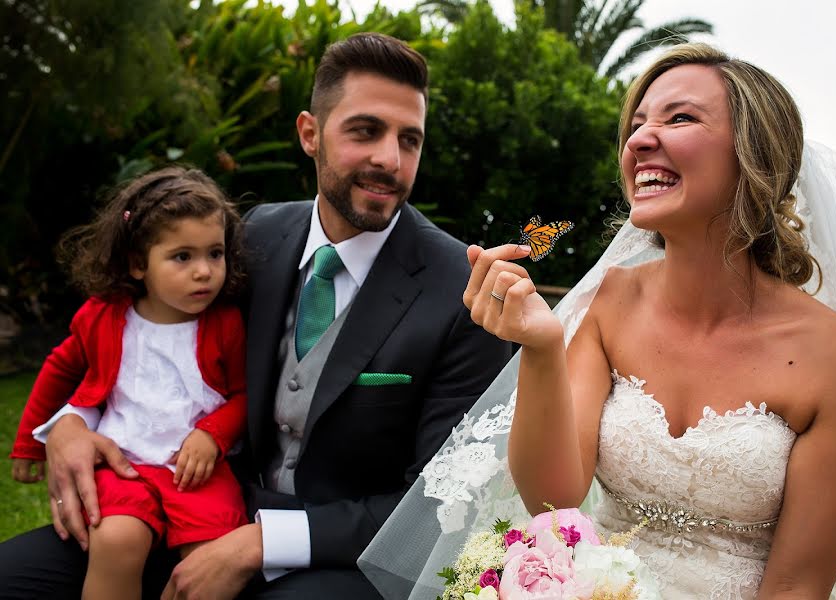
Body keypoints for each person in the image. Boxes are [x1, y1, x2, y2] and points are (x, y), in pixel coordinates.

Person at [359, 43, 836, 599]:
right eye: (637, 124)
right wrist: (543, 346)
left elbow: (797, 586)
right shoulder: (610, 301)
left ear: (754, 155)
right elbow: (553, 499)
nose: (639, 140)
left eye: (681, 117)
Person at [0, 32, 511, 599]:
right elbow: (146, 336)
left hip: (340, 558)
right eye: (365, 131)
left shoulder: (463, 292)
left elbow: (441, 504)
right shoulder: (257, 236)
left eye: (409, 140)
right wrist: (71, 424)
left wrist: (259, 543)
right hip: (193, 505)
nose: (389, 159)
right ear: (309, 134)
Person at [8, 166, 249, 599]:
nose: (204, 271)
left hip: (195, 469)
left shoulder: (225, 325)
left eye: (215, 253)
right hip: (123, 462)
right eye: (182, 257)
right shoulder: (105, 317)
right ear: (139, 264)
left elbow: (242, 395)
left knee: (209, 561)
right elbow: (60, 368)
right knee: (117, 540)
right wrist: (30, 441)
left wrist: (213, 435)